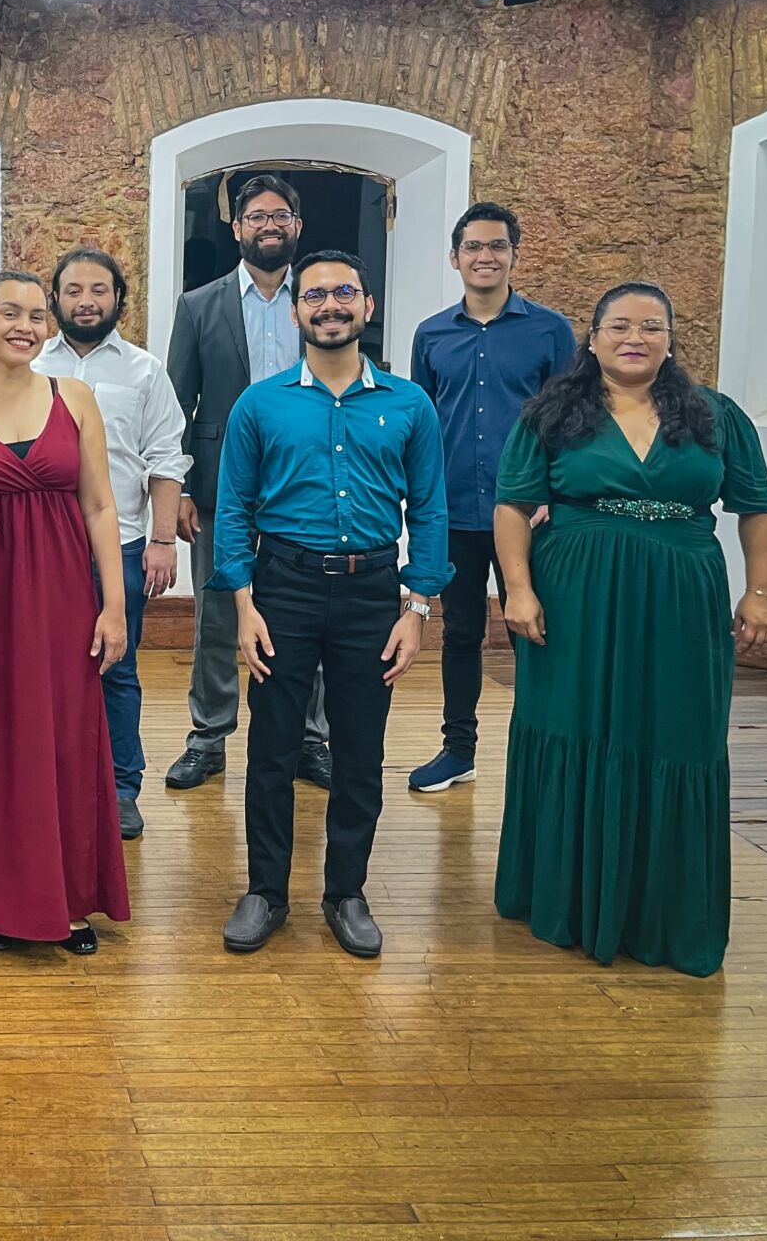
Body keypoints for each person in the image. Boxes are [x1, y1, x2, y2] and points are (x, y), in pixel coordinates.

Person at [493, 283, 767, 978]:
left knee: (680, 731)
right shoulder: (552, 412)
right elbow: (513, 505)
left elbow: (757, 507)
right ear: (591, 340)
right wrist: (519, 590)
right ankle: (566, 896)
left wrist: (760, 592)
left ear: (670, 340)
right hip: (577, 594)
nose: (635, 337)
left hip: (682, 597)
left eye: (652, 326)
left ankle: (663, 911)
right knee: (572, 723)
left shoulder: (716, 415)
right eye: (619, 325)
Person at [210, 250, 449, 960]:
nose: (330, 305)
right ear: (296, 313)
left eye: (345, 292)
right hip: (282, 587)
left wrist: (418, 609)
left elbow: (429, 508)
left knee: (360, 751)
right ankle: (266, 891)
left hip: (372, 592)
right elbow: (233, 508)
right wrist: (244, 605)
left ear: (368, 307)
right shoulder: (260, 404)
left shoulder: (410, 404)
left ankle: (347, 892)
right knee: (272, 747)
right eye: (315, 295)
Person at [0, 270, 131, 953]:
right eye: (10, 313)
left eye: (38, 316)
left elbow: (100, 505)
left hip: (63, 594)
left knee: (65, 739)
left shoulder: (75, 398)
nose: (26, 327)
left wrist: (114, 605)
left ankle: (67, 899)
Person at [165, 173, 332, 794]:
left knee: (305, 614)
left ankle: (308, 738)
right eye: (257, 216)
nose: (269, 225)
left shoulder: (319, 298)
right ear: (236, 227)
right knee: (215, 615)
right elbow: (178, 405)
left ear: (297, 226)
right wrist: (181, 488)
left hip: (306, 482)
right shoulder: (198, 305)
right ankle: (208, 739)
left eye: (280, 216)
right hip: (219, 486)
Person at [405, 202, 577, 793]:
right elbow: (423, 424)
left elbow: (570, 420)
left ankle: (542, 753)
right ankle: (459, 751)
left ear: (514, 255)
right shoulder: (431, 334)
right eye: (473, 247)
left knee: (536, 631)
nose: (486, 256)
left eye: (497, 246)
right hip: (454, 510)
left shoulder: (550, 330)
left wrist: (554, 491)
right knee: (460, 634)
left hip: (529, 512)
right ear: (455, 258)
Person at [38, 246, 189, 841]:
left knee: (116, 668)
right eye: (73, 290)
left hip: (123, 545)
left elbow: (166, 456)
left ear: (119, 299)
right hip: (43, 546)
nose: (86, 301)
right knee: (45, 669)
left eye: (98, 290)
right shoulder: (30, 365)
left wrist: (163, 539)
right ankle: (53, 784)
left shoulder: (145, 371)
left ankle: (122, 789)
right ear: (55, 299)